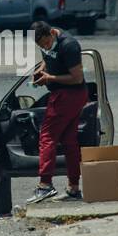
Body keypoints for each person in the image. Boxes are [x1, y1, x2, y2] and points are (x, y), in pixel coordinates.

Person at [26, 21, 88, 204]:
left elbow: (77, 78)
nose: (45, 47)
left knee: (47, 137)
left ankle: (45, 185)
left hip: (69, 95)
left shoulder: (69, 45)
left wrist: (50, 78)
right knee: (69, 141)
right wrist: (40, 71)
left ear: (52, 33)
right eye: (41, 46)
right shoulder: (46, 42)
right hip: (66, 95)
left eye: (46, 43)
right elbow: (48, 58)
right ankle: (73, 188)